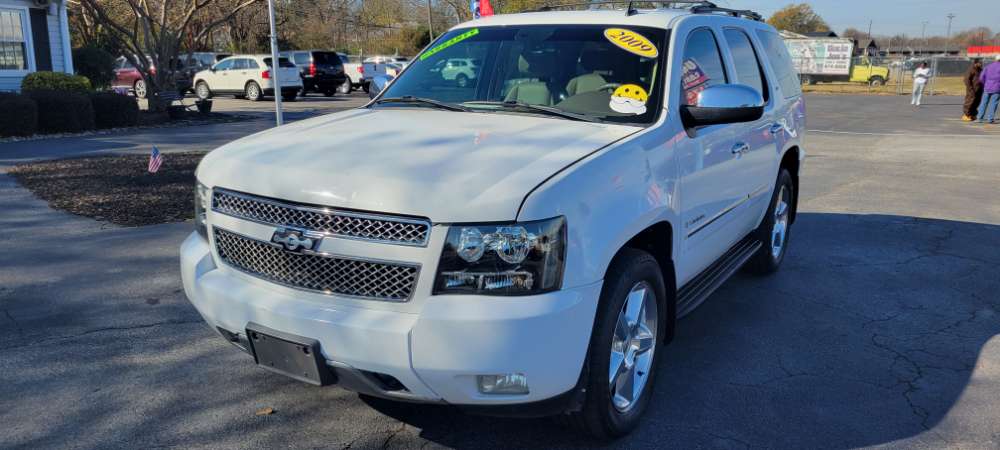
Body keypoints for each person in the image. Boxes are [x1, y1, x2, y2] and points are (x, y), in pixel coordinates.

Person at [977, 55, 1000, 124]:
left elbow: (981, 77)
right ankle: (990, 118)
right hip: (997, 88)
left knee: (983, 103)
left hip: (987, 87)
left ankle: (979, 117)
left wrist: (985, 83)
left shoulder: (988, 66)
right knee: (993, 103)